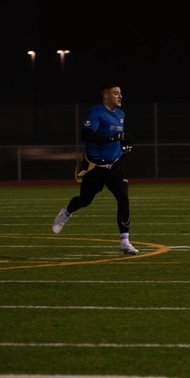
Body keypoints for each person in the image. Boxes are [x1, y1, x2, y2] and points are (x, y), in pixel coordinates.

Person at [52, 81, 139, 255]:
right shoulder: (96, 112)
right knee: (85, 200)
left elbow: (117, 138)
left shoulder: (121, 114)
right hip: (95, 166)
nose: (120, 96)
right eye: (116, 93)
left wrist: (124, 145)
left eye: (120, 93)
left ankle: (125, 242)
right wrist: (112, 139)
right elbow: (86, 135)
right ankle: (67, 211)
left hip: (115, 164)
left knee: (123, 198)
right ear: (105, 95)